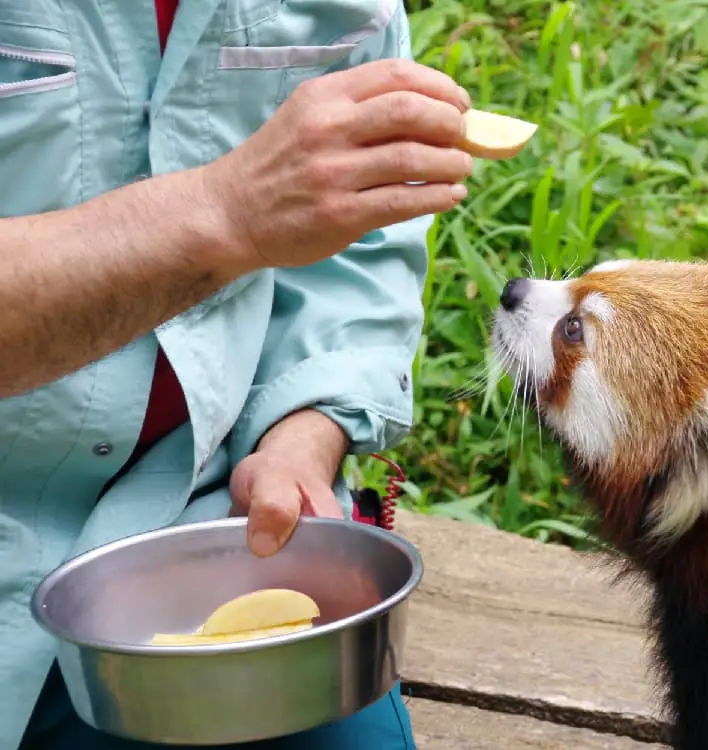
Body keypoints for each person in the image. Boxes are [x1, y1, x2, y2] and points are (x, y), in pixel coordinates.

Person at [1, 1, 474, 748]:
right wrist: (224, 213)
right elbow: (261, 206)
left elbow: (352, 246)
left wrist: (299, 437)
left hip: (202, 520)